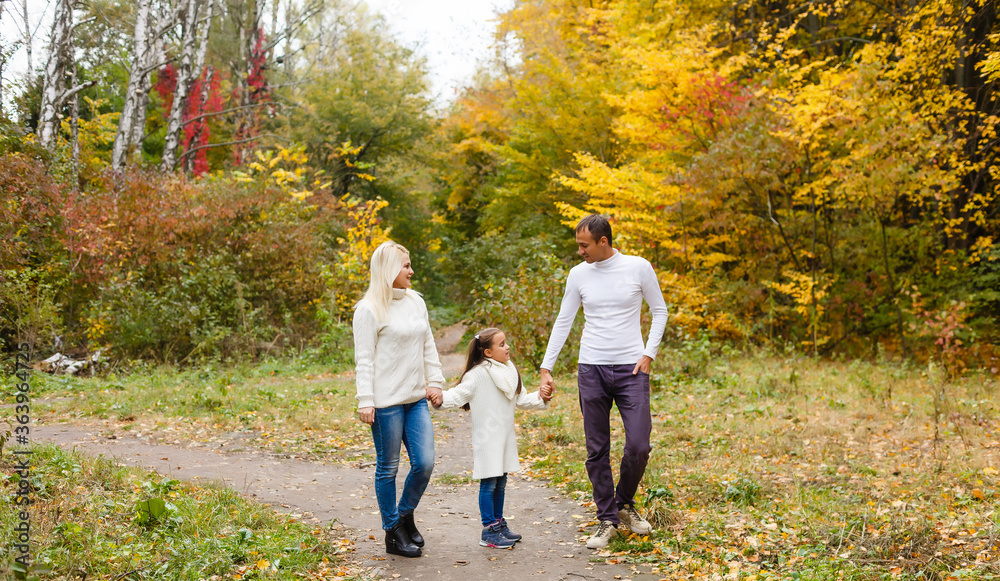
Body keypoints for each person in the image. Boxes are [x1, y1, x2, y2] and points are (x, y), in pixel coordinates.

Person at [539, 214, 668, 549]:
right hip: (591, 369)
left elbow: (660, 310)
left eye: (584, 245)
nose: (580, 251)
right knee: (597, 449)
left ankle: (624, 502)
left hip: (632, 370)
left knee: (639, 445)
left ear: (603, 242)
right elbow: (564, 319)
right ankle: (606, 519)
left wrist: (649, 353)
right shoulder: (578, 274)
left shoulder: (638, 267)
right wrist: (546, 367)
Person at [353, 240, 445, 558]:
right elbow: (364, 359)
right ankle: (392, 532)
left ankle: (404, 515)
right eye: (406, 266)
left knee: (425, 463)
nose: (411, 271)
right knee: (388, 467)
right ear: (389, 269)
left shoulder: (416, 301)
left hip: (415, 398)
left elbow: (428, 344)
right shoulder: (368, 310)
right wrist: (366, 399)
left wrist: (435, 382)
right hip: (385, 402)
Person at [429, 327, 554, 548]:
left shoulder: (509, 370)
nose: (508, 347)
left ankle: (499, 523)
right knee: (489, 484)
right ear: (487, 352)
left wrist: (541, 396)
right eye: (502, 344)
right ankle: (489, 531)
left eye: (506, 342)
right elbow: (457, 395)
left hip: (505, 437)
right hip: (487, 438)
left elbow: (522, 399)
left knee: (501, 482)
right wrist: (440, 398)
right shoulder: (477, 375)